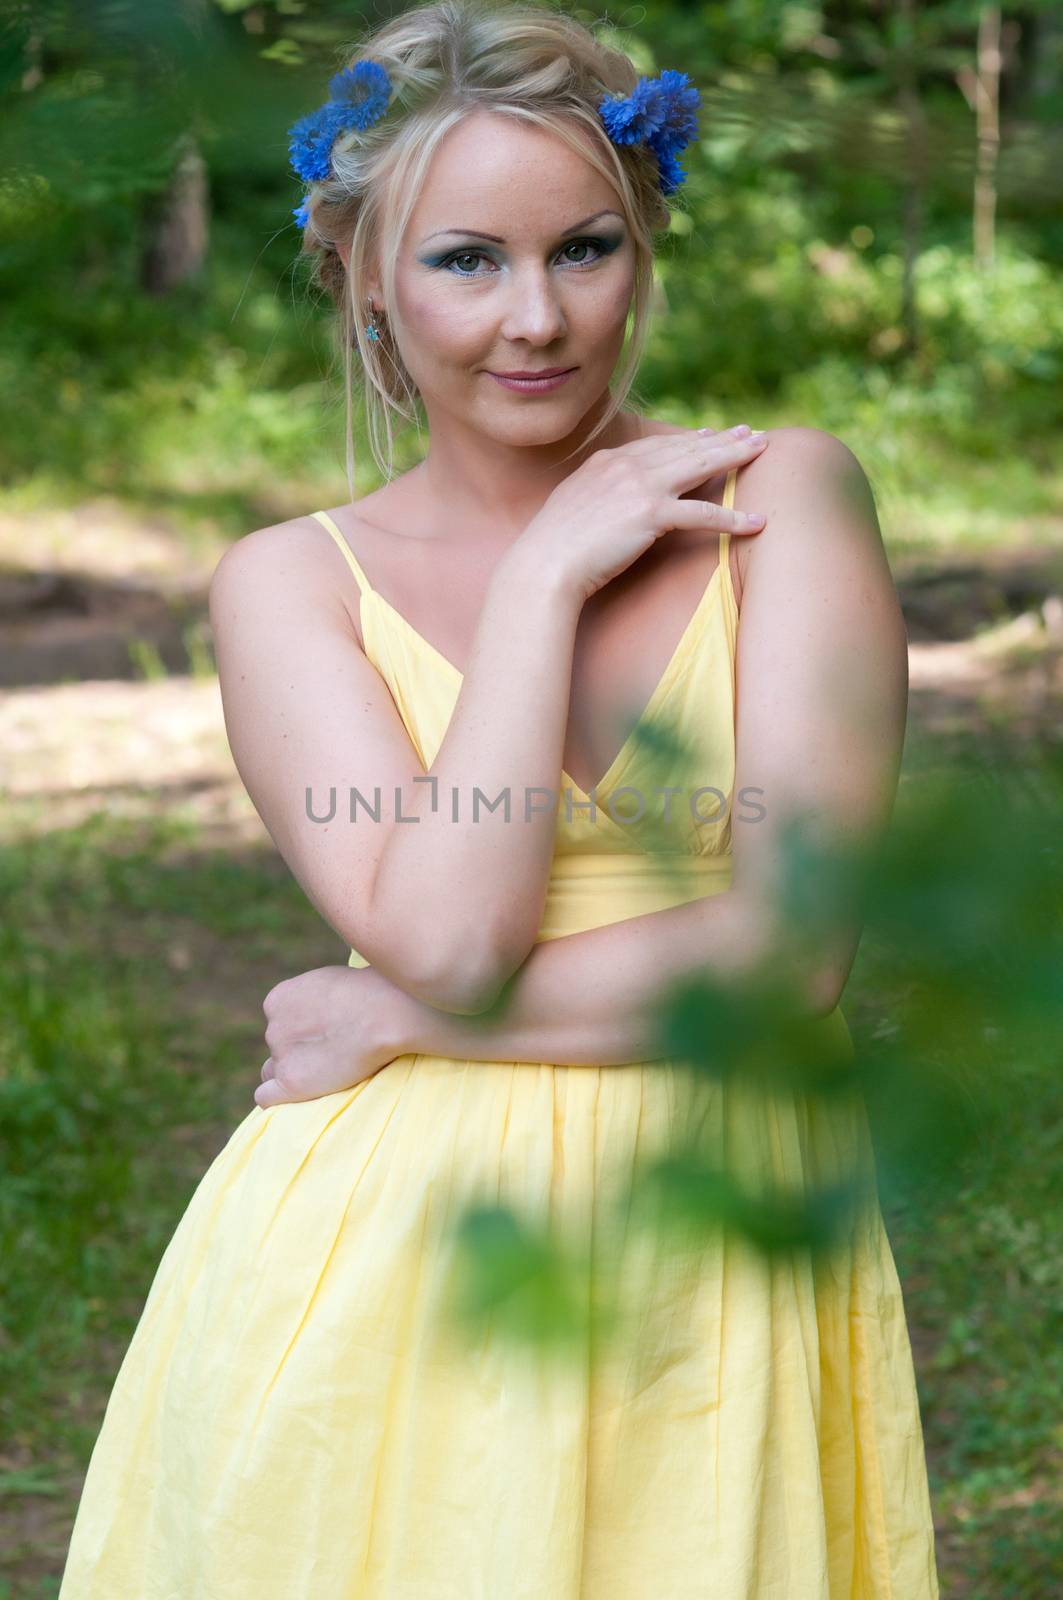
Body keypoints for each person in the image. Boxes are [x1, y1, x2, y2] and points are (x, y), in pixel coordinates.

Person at [58, 1, 940, 1594]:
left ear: (642, 249)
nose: (535, 319)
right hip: (386, 1263)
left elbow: (791, 960)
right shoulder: (288, 587)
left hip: (718, 1247)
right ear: (365, 282)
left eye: (583, 250)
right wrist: (544, 579)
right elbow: (452, 936)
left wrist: (397, 1022)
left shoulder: (786, 497)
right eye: (467, 260)